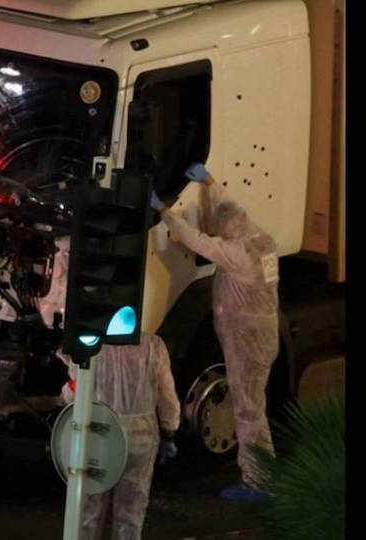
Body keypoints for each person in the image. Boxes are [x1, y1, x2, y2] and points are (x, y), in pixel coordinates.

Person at [151, 163, 280, 502]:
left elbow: (197, 241)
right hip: (259, 339)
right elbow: (229, 208)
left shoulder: (239, 252)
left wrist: (163, 212)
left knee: (249, 412)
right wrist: (210, 183)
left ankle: (259, 483)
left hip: (248, 343)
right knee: (253, 407)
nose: (219, 233)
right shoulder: (260, 239)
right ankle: (263, 476)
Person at [60, 332, 181, 540]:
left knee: (88, 513)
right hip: (140, 437)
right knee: (131, 511)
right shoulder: (153, 345)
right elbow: (167, 395)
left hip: (97, 434)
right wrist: (170, 429)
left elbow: (74, 394)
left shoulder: (88, 343)